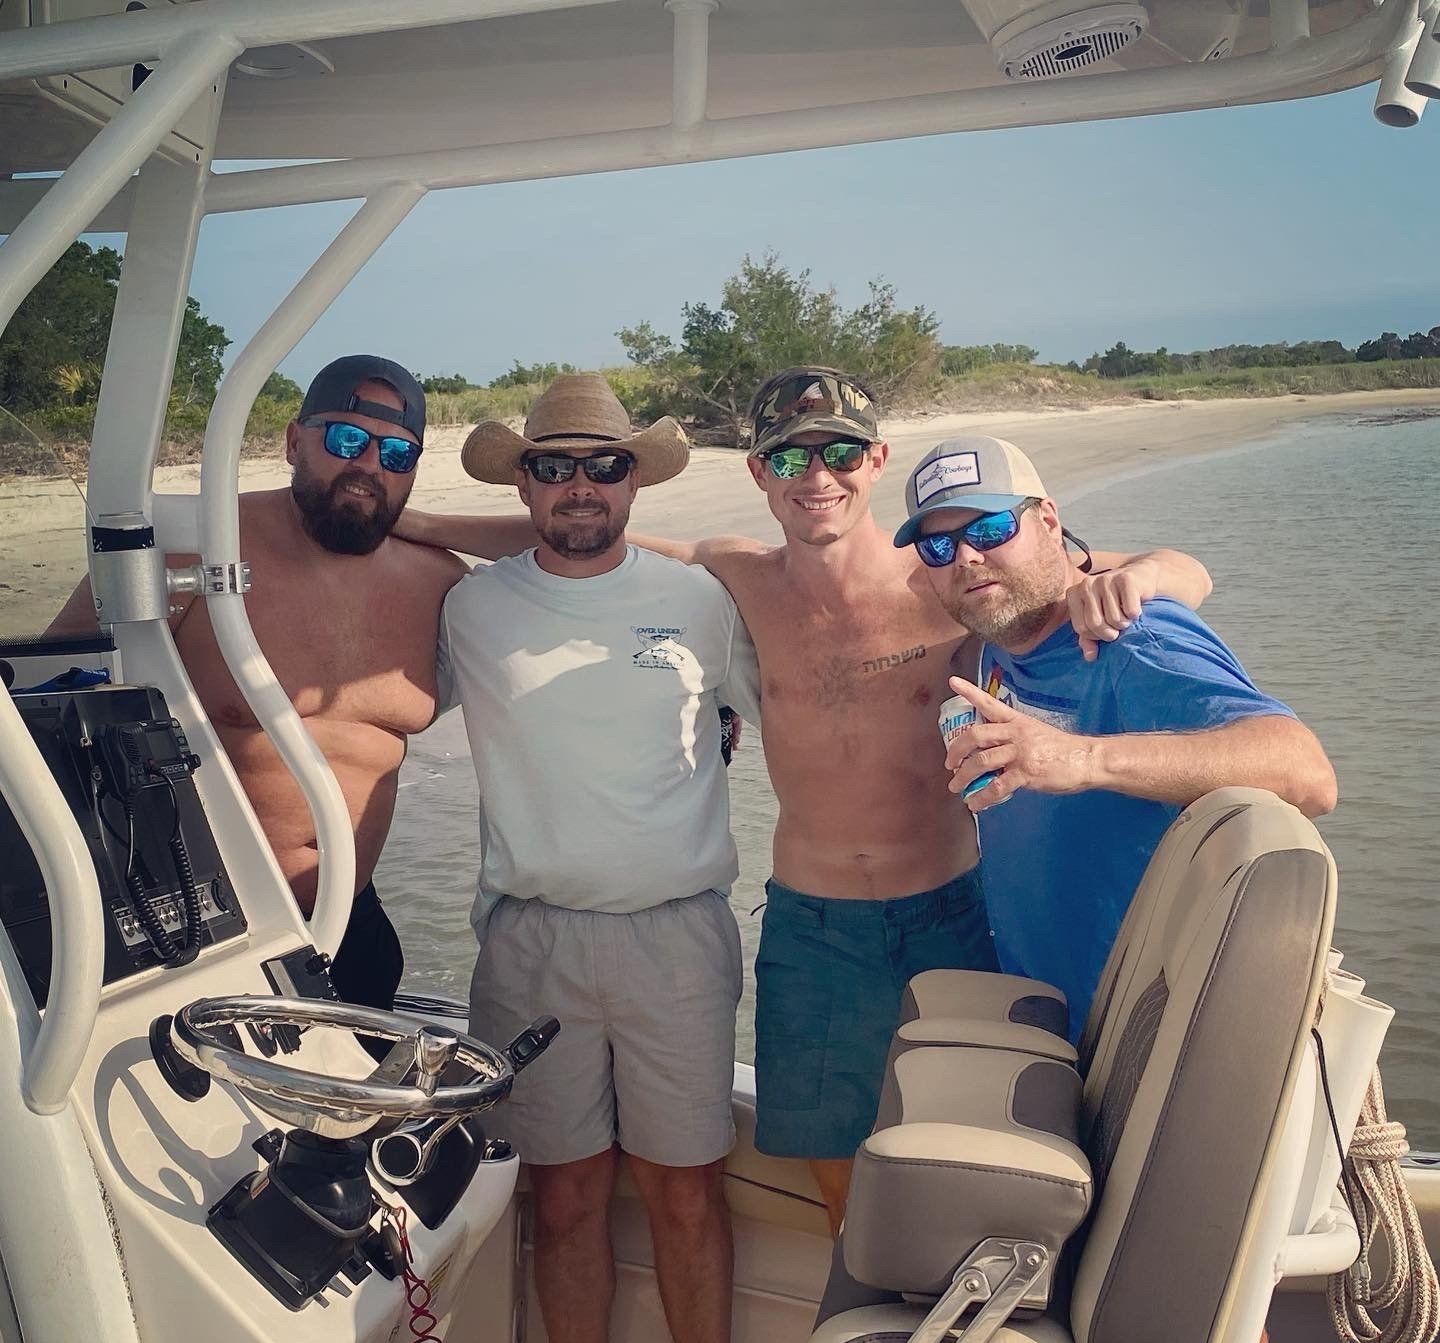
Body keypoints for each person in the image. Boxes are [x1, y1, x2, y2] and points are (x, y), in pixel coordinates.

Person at [397, 367, 1213, 1230]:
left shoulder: (947, 576)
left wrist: (1155, 570)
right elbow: (579, 535)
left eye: (840, 453)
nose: (816, 475)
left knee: (977, 1167)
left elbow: (1165, 574)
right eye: (789, 457)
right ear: (759, 471)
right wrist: (418, 523)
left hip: (953, 912)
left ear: (876, 461)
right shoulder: (741, 577)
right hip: (812, 928)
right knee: (840, 1187)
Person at [896, 432, 1337, 1343]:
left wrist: (1081, 758)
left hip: (1172, 1054)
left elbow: (1304, 768)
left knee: (1189, 1324)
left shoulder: (1131, 636)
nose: (968, 559)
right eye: (939, 545)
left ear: (1048, 521)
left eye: (990, 528)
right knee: (1121, 1313)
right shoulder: (999, 645)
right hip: (1076, 1040)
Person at [436, 373, 759, 1343]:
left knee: (686, 1199)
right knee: (564, 1203)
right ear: (521, 481)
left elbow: (809, 693)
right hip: (530, 945)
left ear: (637, 480)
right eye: (554, 465)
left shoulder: (701, 599)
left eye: (604, 466)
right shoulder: (467, 607)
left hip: (679, 937)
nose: (581, 486)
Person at [47, 356, 466, 1016]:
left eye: (397, 453)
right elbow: (47, 692)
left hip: (348, 922)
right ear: (294, 441)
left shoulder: (438, 581)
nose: (369, 466)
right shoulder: (194, 547)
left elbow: (573, 560)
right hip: (201, 930)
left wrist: (439, 528)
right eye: (347, 439)